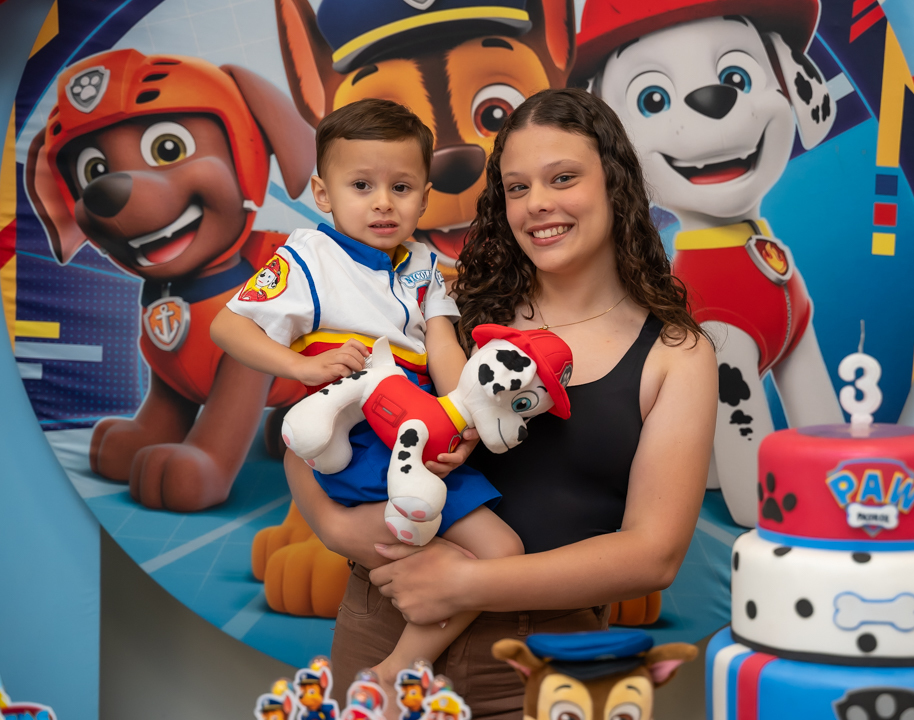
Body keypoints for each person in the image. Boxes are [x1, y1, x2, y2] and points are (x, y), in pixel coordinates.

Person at [283, 88, 718, 718]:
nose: (538, 203)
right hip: (385, 632)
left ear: (614, 183)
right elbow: (319, 428)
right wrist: (340, 530)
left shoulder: (676, 353)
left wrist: (467, 582)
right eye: (517, 187)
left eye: (562, 178)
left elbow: (654, 554)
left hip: (545, 664)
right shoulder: (446, 309)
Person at [210, 99, 525, 694]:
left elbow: (442, 345)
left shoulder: (424, 264)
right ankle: (400, 670)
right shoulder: (309, 257)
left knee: (495, 553)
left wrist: (464, 414)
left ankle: (392, 673)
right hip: (357, 438)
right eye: (361, 185)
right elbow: (228, 326)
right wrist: (300, 365)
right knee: (493, 552)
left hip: (419, 431)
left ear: (424, 198)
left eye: (400, 187)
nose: (383, 202)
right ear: (323, 194)